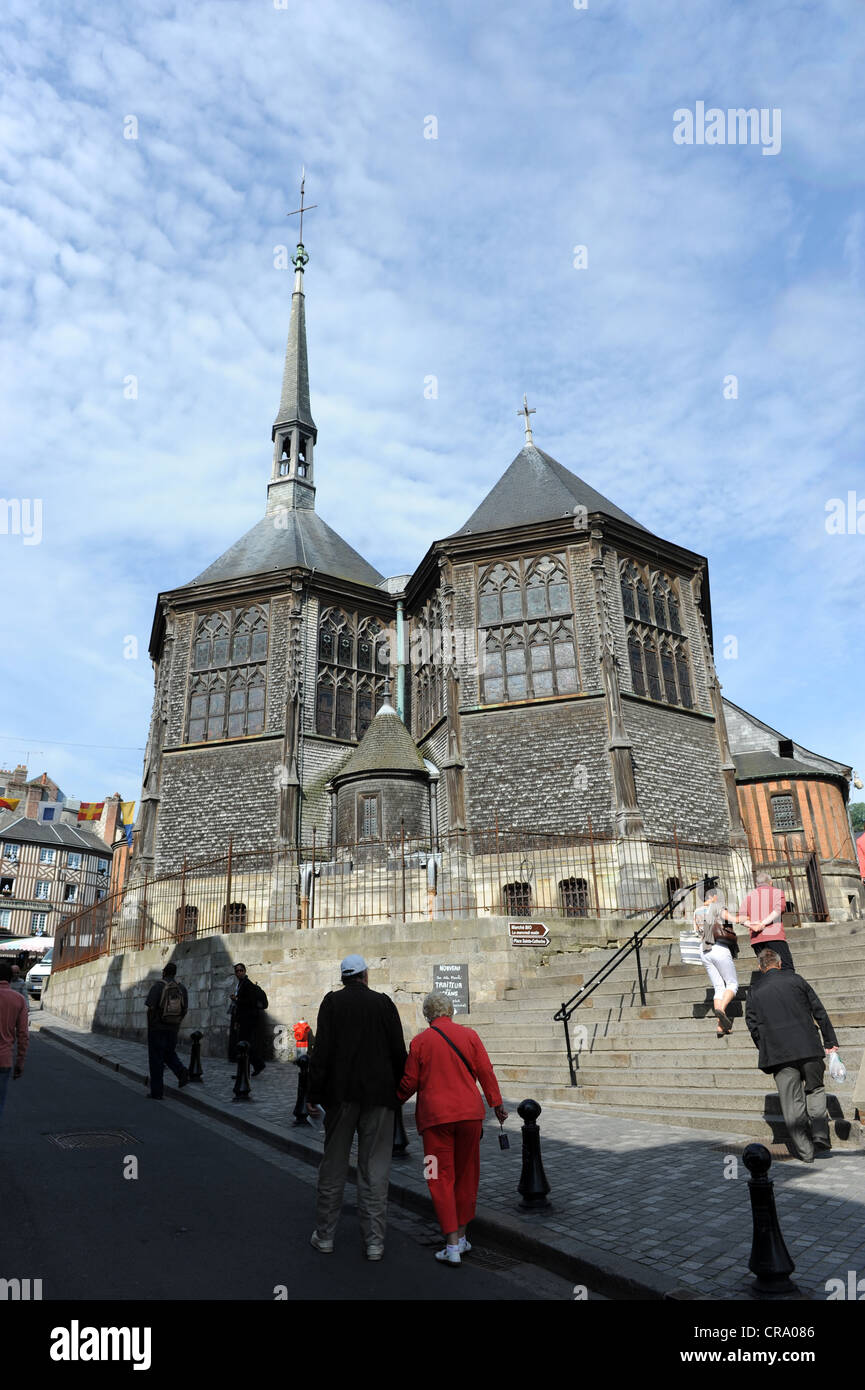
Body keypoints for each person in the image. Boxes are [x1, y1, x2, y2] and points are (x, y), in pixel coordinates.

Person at [306, 954, 407, 1261]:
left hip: (341, 1097)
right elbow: (398, 1051)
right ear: (365, 975)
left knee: (334, 1165)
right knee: (375, 1169)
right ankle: (374, 1242)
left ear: (344, 977)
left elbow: (321, 1052)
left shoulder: (332, 1003)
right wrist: (400, 1093)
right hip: (379, 1097)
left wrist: (312, 1093)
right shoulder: (384, 1003)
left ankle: (325, 1235)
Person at [398, 992, 507, 1266]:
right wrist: (496, 1104)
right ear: (451, 1011)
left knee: (437, 1176)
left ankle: (451, 1245)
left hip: (436, 1120)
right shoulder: (469, 1036)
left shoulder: (420, 1042)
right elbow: (486, 1071)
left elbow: (409, 1082)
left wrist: (393, 1101)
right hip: (470, 1116)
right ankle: (461, 1236)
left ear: (427, 1015)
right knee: (467, 1176)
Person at [745, 947, 839, 1162]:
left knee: (791, 1102)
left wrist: (765, 1046)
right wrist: (830, 1041)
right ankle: (820, 1133)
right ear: (779, 963)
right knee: (815, 1090)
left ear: (761, 968)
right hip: (809, 1047)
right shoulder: (796, 980)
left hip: (779, 1054)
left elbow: (752, 1026)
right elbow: (819, 1011)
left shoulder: (755, 991)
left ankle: (806, 1152)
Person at [693, 885, 740, 1036]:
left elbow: (696, 932)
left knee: (718, 987)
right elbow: (733, 919)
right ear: (713, 897)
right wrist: (746, 919)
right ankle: (721, 1009)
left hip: (704, 950)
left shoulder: (696, 911)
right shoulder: (718, 906)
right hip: (719, 947)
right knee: (732, 984)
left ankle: (720, 1026)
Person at [144, 962, 190, 1100]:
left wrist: (152, 1024)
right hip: (173, 1028)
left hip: (157, 1028)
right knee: (169, 1053)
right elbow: (184, 1009)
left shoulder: (158, 986)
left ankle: (157, 1092)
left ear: (164, 972)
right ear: (175, 973)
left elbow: (151, 1006)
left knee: (156, 1059)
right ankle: (181, 1072)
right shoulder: (181, 988)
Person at [739, 871, 794, 971]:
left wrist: (753, 926)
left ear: (756, 884)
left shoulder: (748, 897)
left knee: (766, 970)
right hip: (775, 937)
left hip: (757, 939)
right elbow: (778, 910)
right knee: (786, 967)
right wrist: (763, 923)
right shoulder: (777, 892)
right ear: (771, 882)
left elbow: (741, 918)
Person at [0, 960, 29, 1121]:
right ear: (11, 979)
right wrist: (20, 1062)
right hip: (4, 1060)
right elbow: (23, 1034)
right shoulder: (19, 1000)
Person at [231, 963, 267, 1076]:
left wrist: (236, 999)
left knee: (243, 1046)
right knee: (244, 1045)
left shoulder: (247, 984)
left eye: (241, 970)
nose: (239, 972)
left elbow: (249, 1003)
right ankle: (252, 1067)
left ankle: (254, 1066)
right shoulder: (241, 984)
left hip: (248, 1020)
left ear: (245, 971)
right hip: (243, 1019)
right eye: (237, 971)